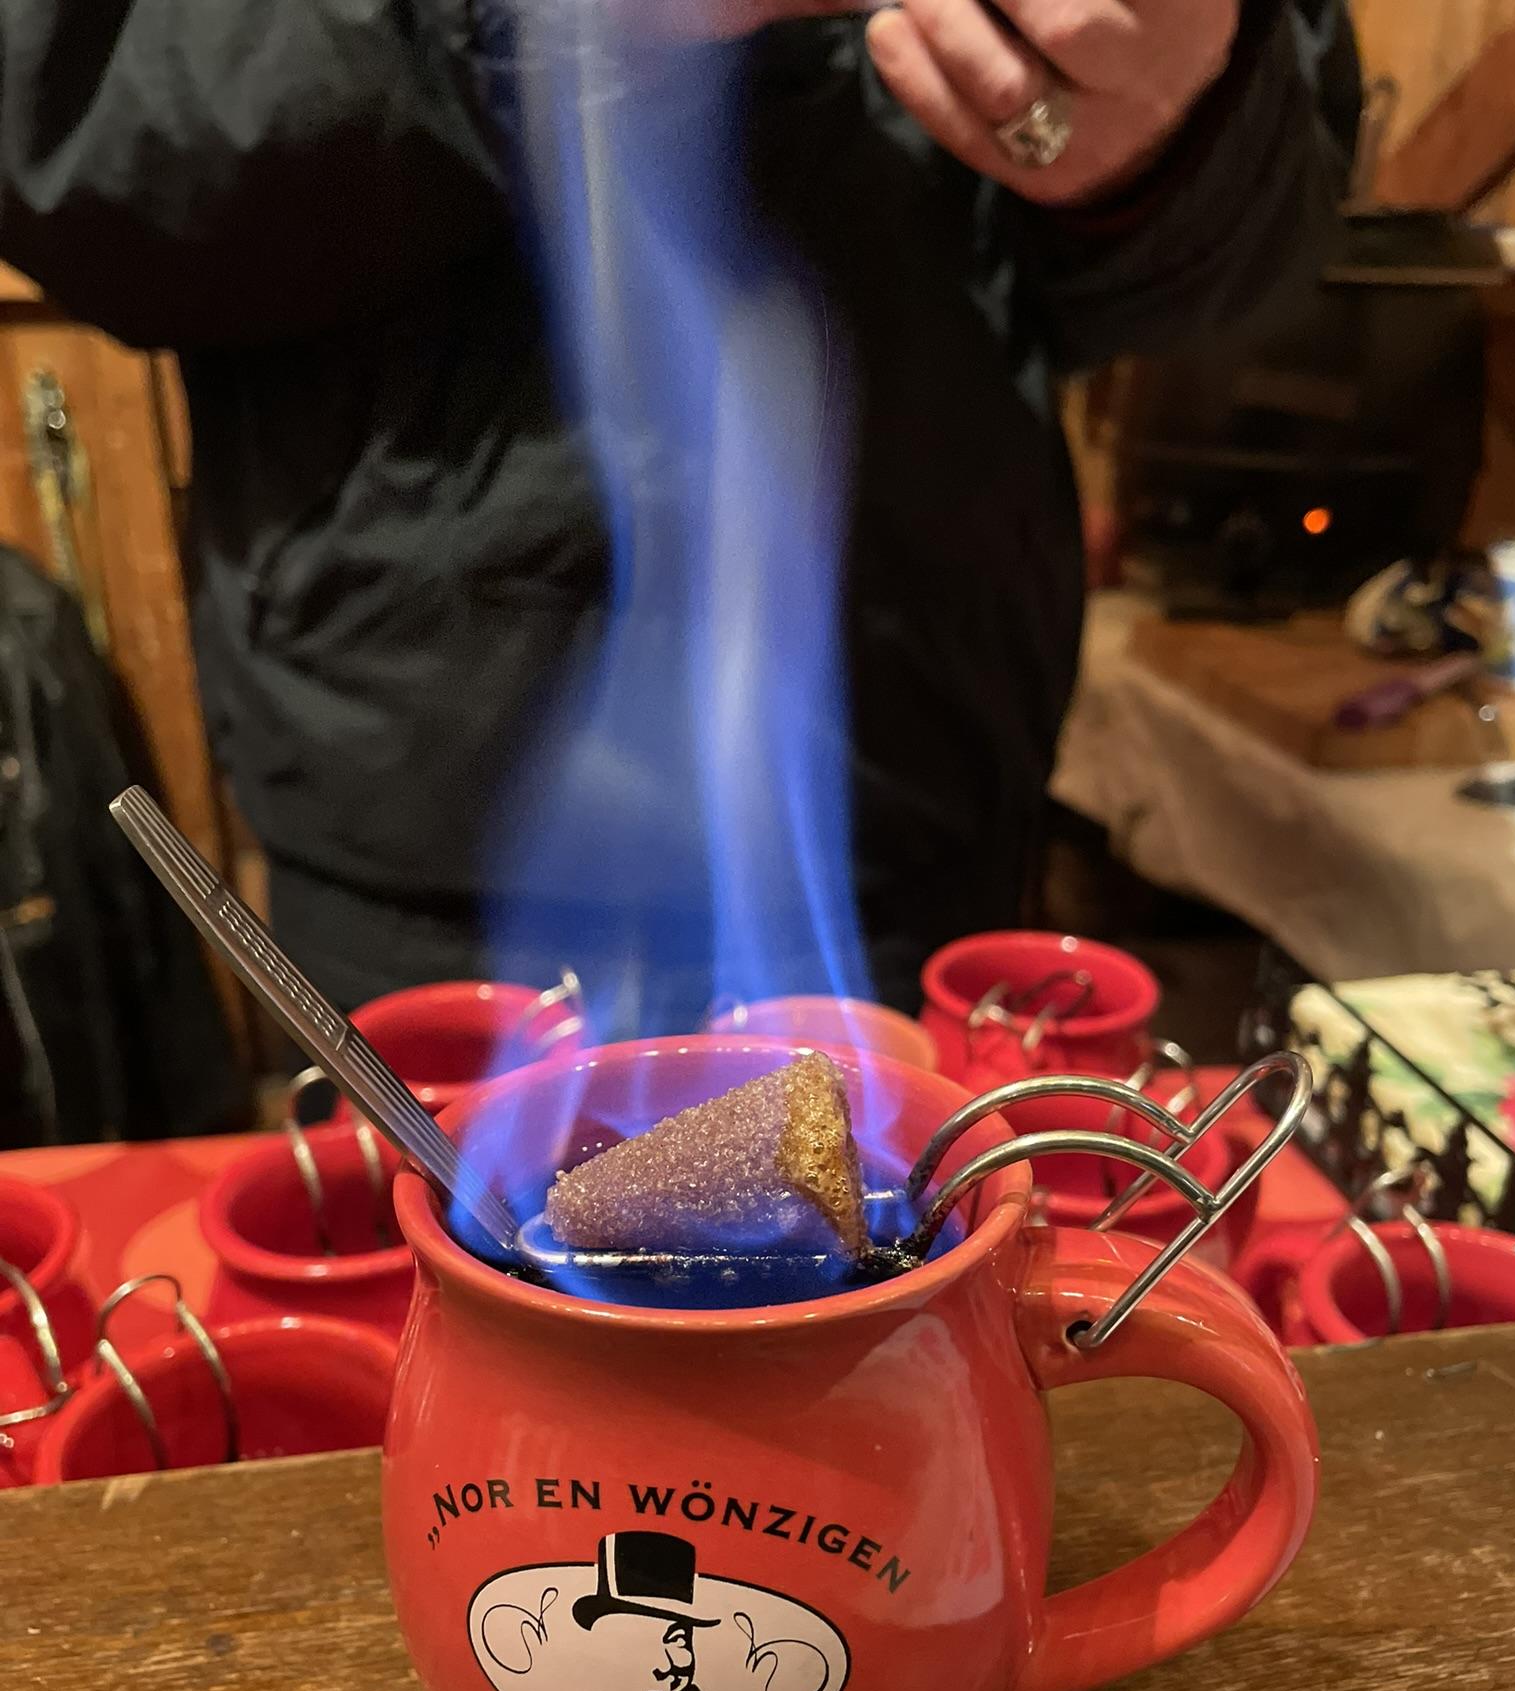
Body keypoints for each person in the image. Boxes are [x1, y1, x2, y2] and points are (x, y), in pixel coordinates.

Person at [0, 1, 1359, 1016]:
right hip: (411, 829)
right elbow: (65, 127)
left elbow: (1262, 230)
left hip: (922, 793)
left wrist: (1175, 132)